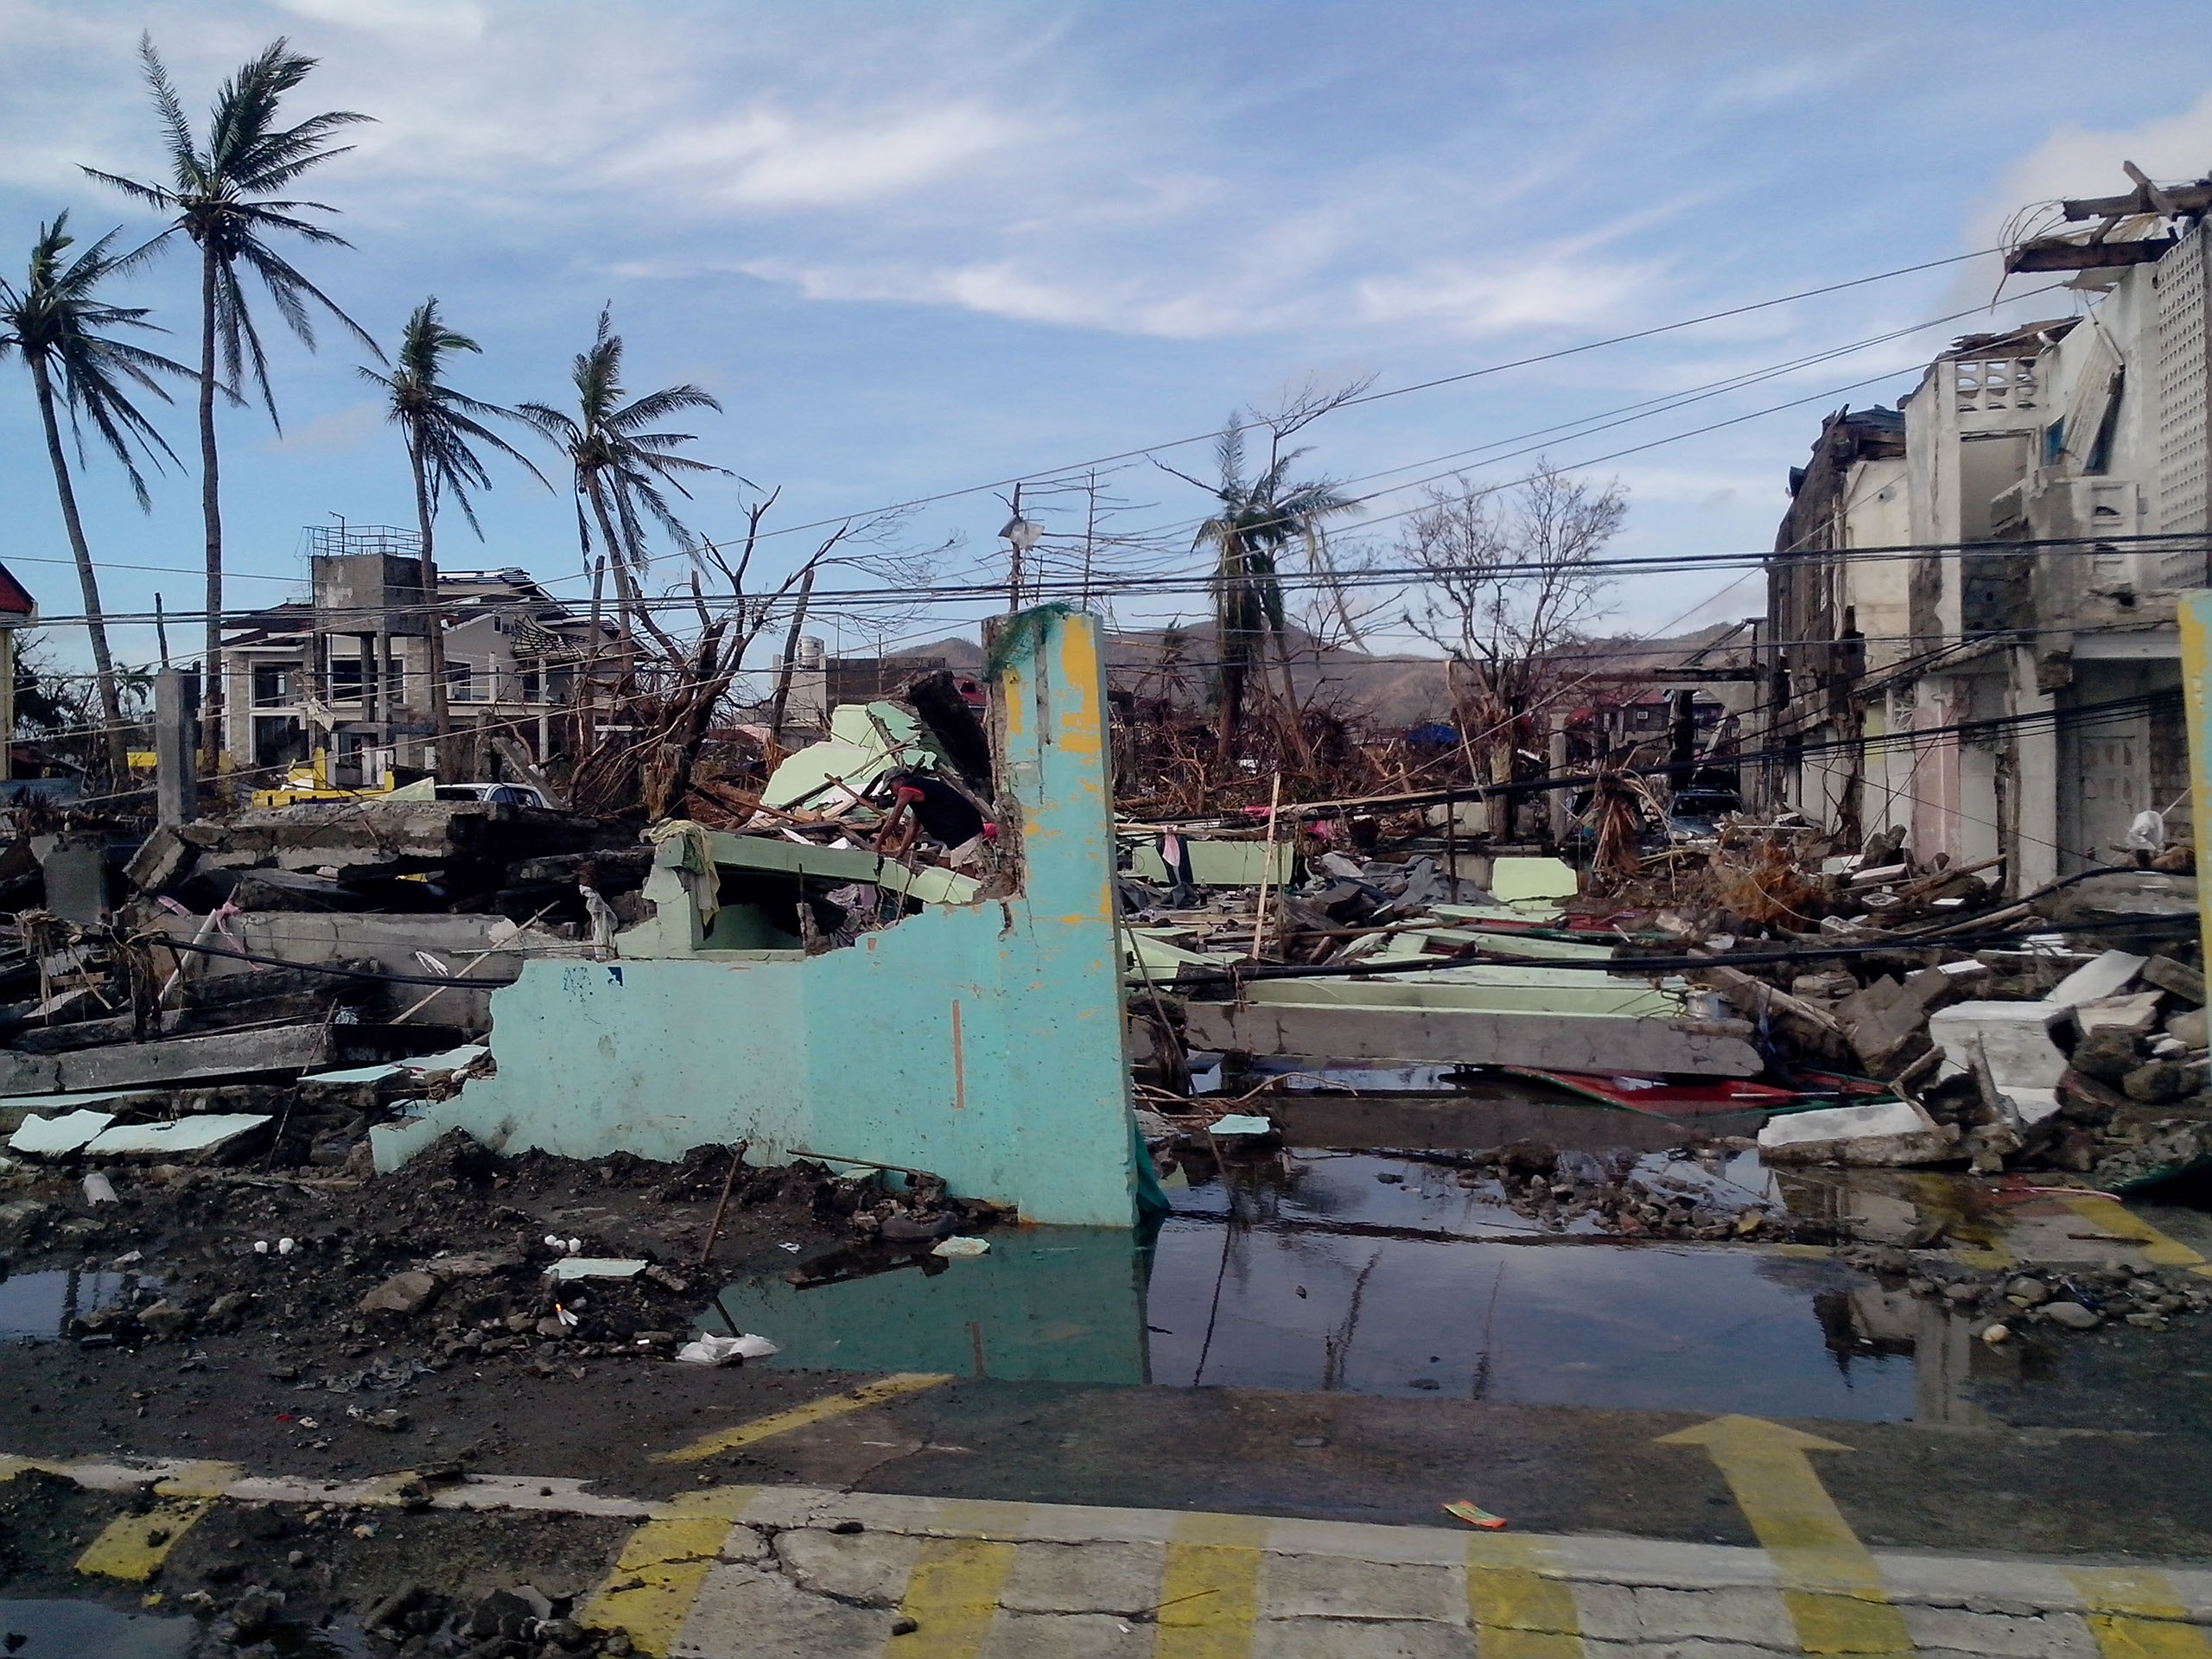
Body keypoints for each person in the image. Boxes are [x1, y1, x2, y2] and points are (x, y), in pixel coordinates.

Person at [874, 767, 988, 862]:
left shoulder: (908, 787)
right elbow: (912, 829)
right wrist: (900, 855)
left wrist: (877, 845)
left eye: (891, 788)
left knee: (965, 872)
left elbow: (893, 819)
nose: (893, 793)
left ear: (901, 780)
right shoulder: (919, 792)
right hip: (954, 834)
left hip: (964, 830)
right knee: (944, 865)